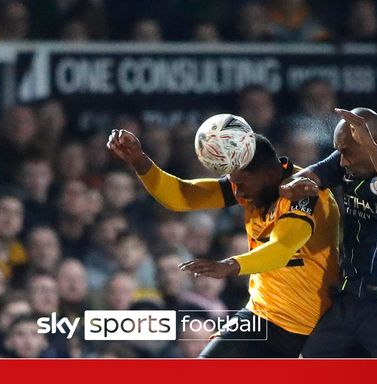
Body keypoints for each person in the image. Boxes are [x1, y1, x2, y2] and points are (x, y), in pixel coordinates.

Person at [107, 127, 340, 358]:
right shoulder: (250, 185)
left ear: (268, 175)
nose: (237, 191)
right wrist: (140, 161)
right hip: (260, 315)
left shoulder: (306, 191)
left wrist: (228, 266)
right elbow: (182, 196)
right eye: (233, 183)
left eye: (241, 183)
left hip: (310, 328)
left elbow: (281, 249)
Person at [281, 108, 377, 358]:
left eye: (348, 152)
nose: (342, 161)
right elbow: (296, 181)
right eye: (339, 152)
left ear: (373, 144)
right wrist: (295, 188)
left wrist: (372, 152)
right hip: (347, 300)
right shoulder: (346, 162)